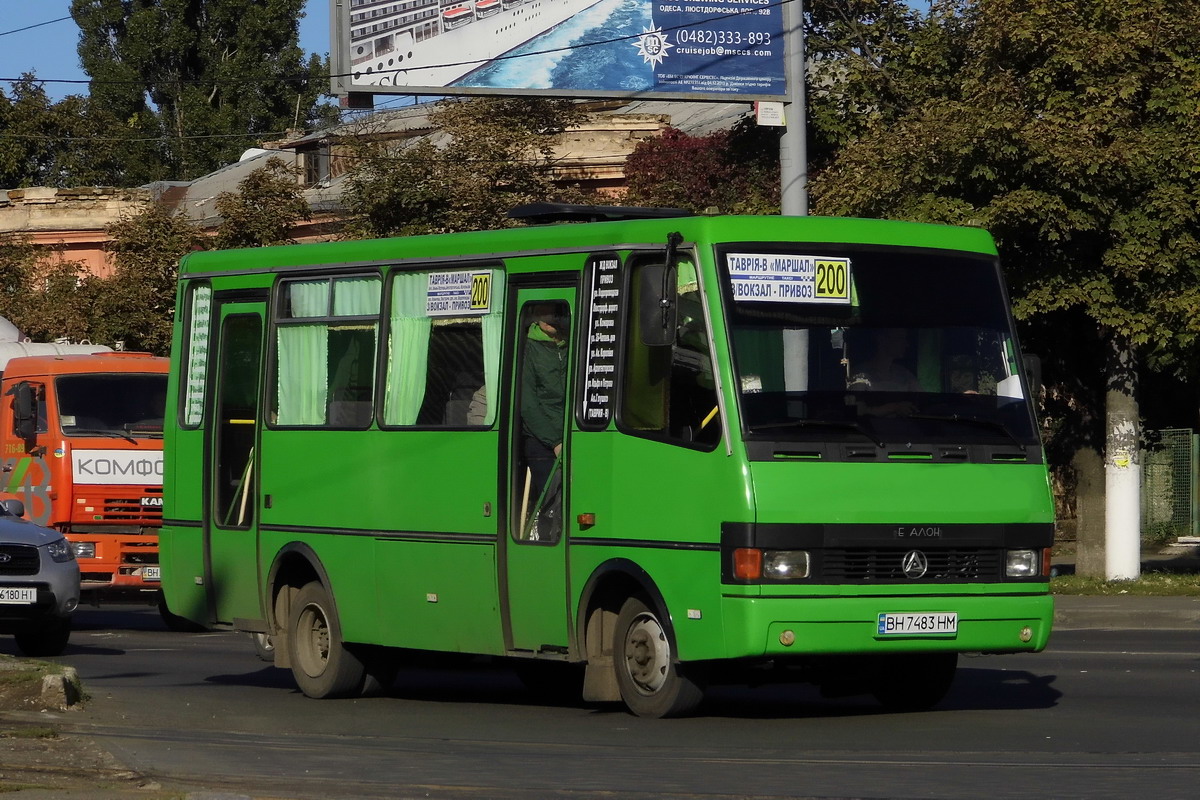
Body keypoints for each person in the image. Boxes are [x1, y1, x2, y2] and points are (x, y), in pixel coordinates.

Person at [520, 303, 569, 540]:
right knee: (554, 503)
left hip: (574, 434)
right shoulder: (528, 349)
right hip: (541, 441)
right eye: (545, 313)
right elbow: (527, 404)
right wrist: (555, 440)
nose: (551, 319)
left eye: (556, 313)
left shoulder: (572, 344)